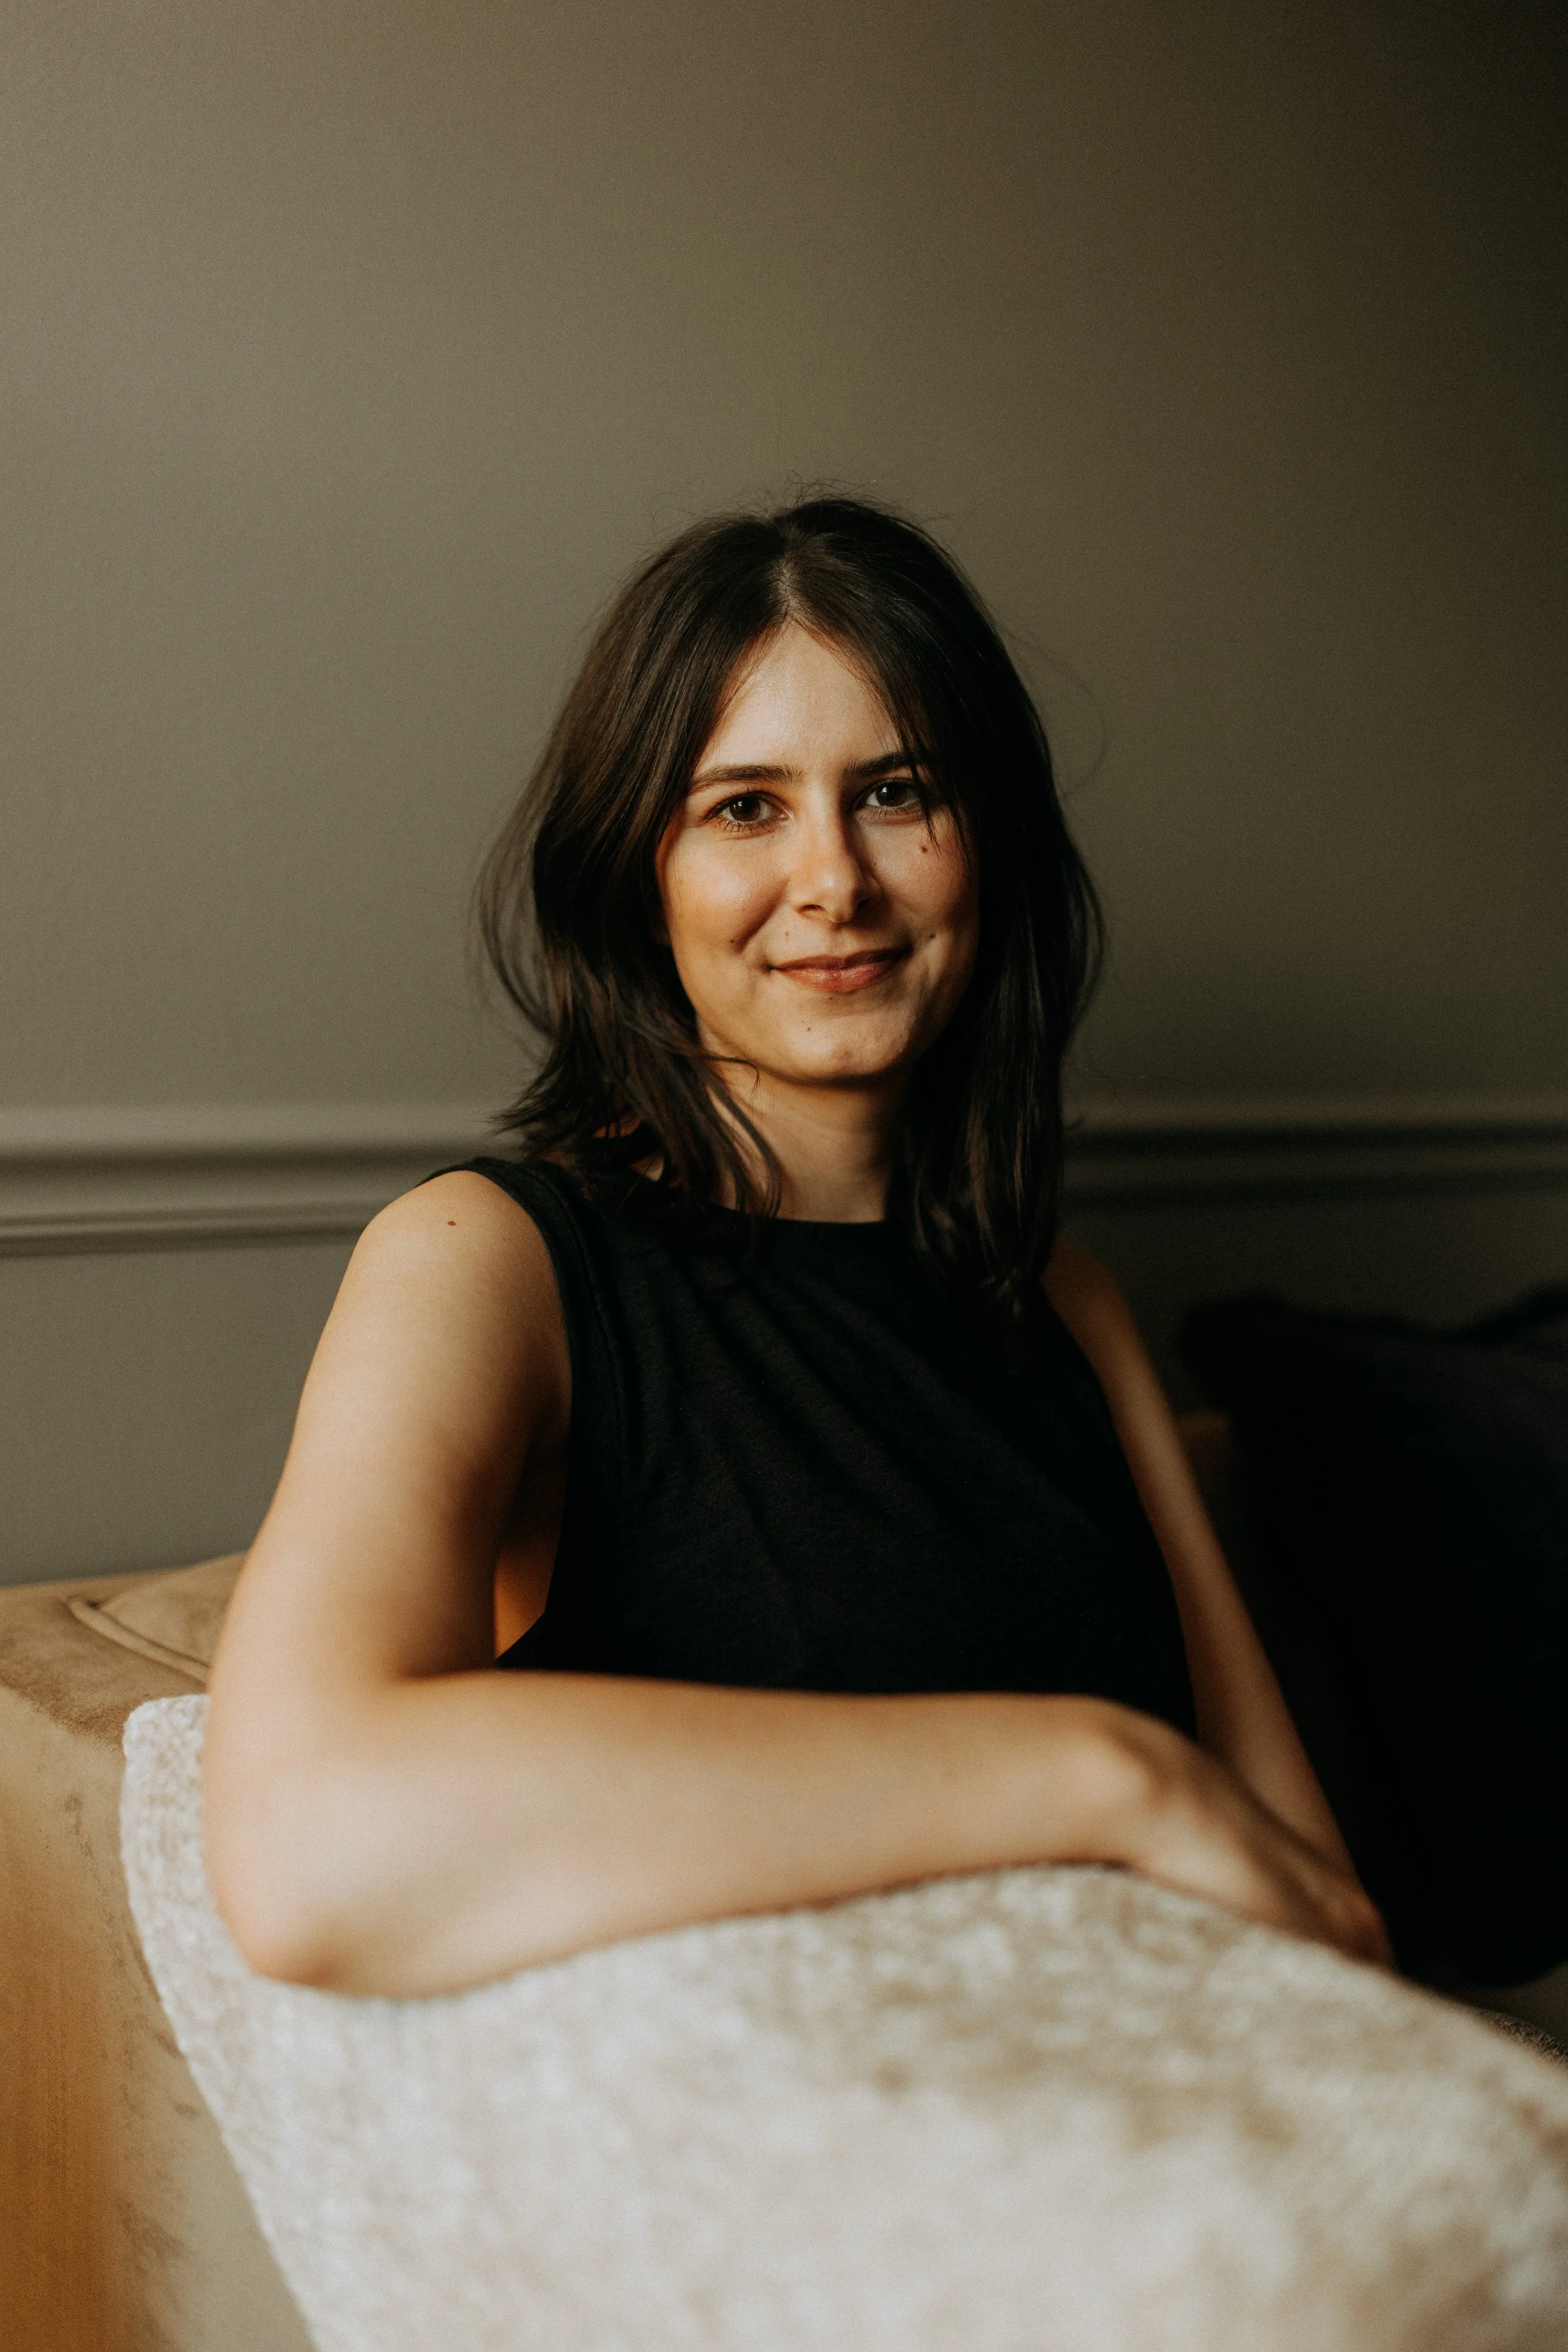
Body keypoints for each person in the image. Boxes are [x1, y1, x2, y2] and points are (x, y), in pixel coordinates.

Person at [204, 497, 1387, 1998]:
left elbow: (1325, 1908)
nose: (834, 881)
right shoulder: (486, 1258)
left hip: (1162, 2096)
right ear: (639, 877)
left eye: (894, 792)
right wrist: (1099, 1778)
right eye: (743, 808)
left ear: (987, 846)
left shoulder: (1060, 1295)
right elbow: (307, 1850)